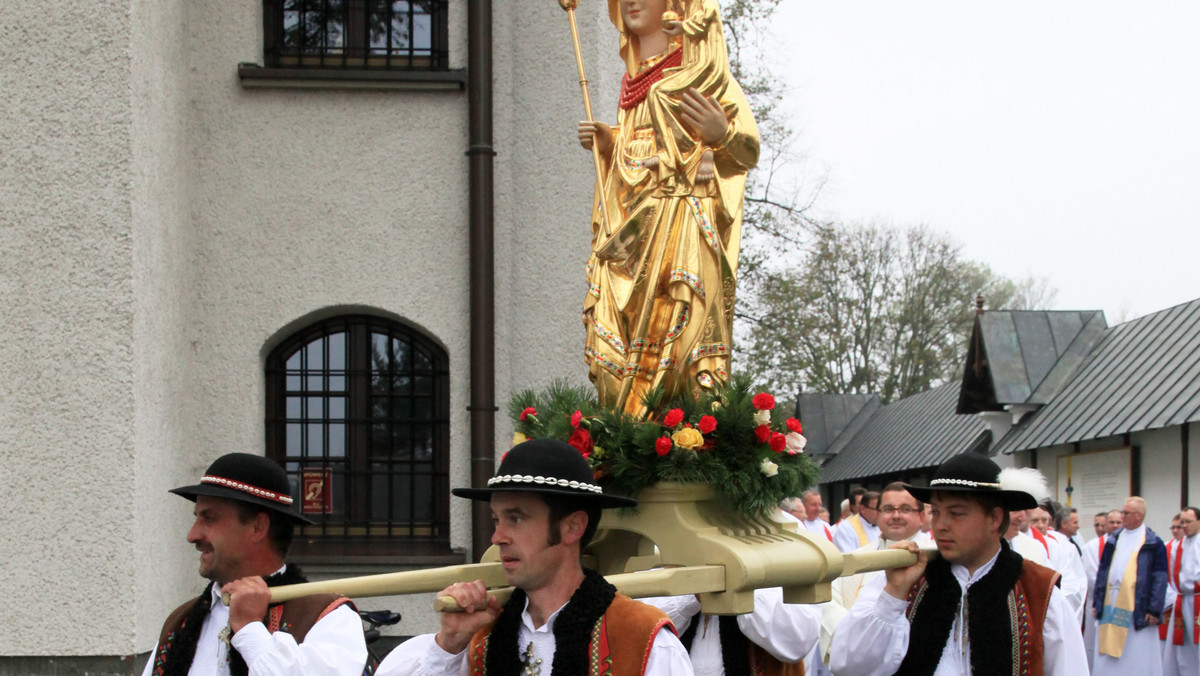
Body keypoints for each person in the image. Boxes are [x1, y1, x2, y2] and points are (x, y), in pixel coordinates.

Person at [577, 0, 759, 416]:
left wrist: (721, 134)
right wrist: (610, 143)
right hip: (629, 234)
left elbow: (747, 151)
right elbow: (636, 151)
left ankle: (685, 431)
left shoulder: (702, 76)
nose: (631, 3)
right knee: (612, 338)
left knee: (680, 335)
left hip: (680, 229)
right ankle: (621, 431)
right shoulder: (634, 86)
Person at [376, 438, 693, 676]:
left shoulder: (643, 638)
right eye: (496, 519)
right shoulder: (478, 640)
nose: (497, 537)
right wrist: (449, 643)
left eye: (516, 518)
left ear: (572, 526)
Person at [828, 453, 1087, 675]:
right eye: (937, 512)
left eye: (956, 513)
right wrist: (892, 597)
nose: (941, 524)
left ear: (994, 518)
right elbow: (848, 666)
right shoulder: (907, 579)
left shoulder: (1039, 591)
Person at [142, 453, 368, 676]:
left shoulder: (328, 617)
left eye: (209, 519)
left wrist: (249, 630)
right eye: (197, 518)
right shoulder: (180, 623)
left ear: (257, 527)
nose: (192, 535)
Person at [821, 482, 928, 668]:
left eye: (905, 509)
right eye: (888, 509)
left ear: (921, 516)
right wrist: (858, 638)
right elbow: (830, 602)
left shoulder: (935, 557)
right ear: (877, 516)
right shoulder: (857, 559)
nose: (896, 515)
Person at [1092, 496, 1168, 676]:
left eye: (1126, 513)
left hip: (1138, 607)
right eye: (1122, 511)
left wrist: (1155, 609)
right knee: (1108, 655)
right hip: (1112, 602)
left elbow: (1160, 577)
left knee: (1136, 654)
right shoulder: (1114, 539)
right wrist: (1097, 601)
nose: (1122, 515)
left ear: (1139, 516)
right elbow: (1102, 571)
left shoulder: (1153, 542)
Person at [1161, 506, 1200, 675]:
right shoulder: (1178, 546)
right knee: (1180, 646)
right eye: (1182, 522)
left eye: (1188, 522)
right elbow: (1170, 573)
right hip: (1182, 600)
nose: (1184, 526)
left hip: (1198, 599)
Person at [1083, 509, 1124, 669]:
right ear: (1105, 525)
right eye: (1111, 523)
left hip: (1123, 603)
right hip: (1098, 602)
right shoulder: (1092, 547)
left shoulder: (1128, 544)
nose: (1115, 526)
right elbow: (1092, 576)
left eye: (1118, 523)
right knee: (1096, 645)